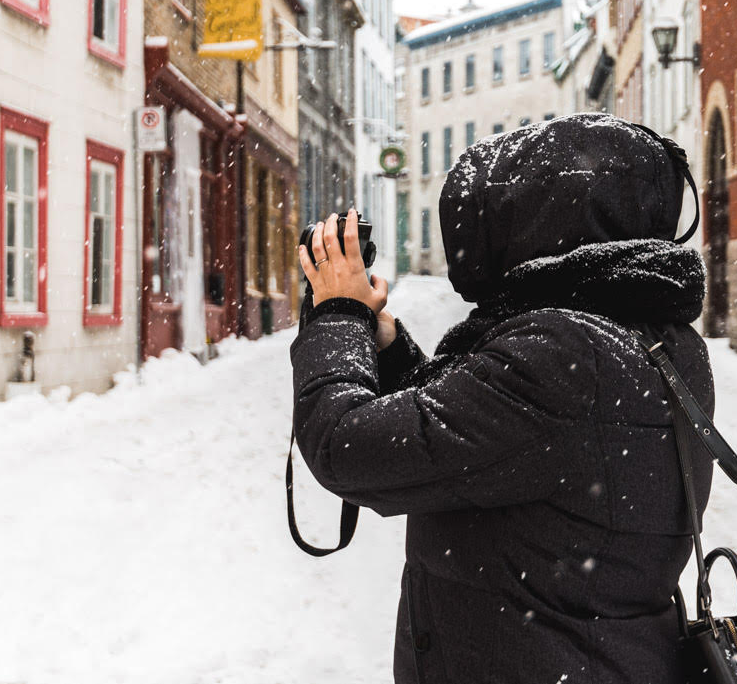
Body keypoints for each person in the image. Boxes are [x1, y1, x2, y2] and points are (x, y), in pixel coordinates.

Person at [291, 112, 712, 684]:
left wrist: (336, 314)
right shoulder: (647, 338)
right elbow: (479, 442)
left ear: (540, 221)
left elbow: (346, 447)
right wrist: (384, 341)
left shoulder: (566, 355)